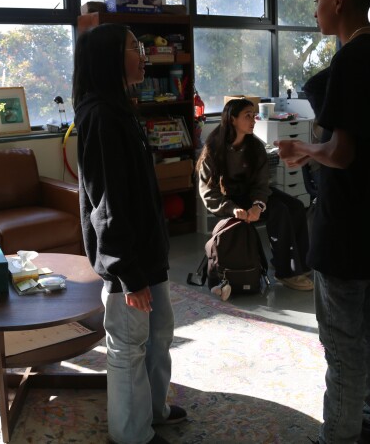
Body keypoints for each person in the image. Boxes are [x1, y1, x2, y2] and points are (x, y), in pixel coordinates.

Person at [276, 0, 370, 444]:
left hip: (347, 227)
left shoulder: (352, 60)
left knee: (342, 342)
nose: (313, 10)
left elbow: (342, 152)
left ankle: (340, 435)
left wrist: (303, 150)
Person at [72, 23, 186, 444]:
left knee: (158, 337)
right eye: (134, 47)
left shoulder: (121, 109)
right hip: (128, 264)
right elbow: (108, 204)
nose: (143, 53)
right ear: (109, 58)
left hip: (148, 255)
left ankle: (154, 411)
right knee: (127, 348)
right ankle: (131, 435)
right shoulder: (100, 116)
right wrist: (128, 273)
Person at [196, 97, 314, 293]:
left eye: (254, 116)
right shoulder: (214, 148)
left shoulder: (255, 147)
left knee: (295, 205)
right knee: (279, 211)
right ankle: (286, 271)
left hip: (252, 195)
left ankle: (300, 264)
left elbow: (262, 183)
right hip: (230, 201)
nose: (253, 120)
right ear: (232, 119)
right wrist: (233, 209)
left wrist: (258, 205)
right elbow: (208, 191)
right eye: (247, 116)